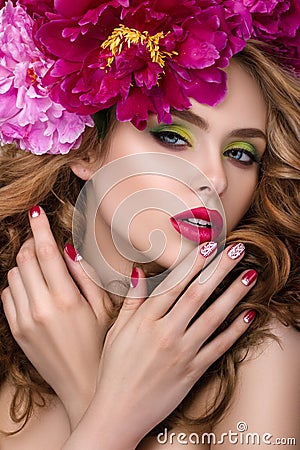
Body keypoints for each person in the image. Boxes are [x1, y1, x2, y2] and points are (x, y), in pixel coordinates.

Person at [0, 1, 299, 449]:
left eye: (240, 153)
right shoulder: (15, 340)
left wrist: (92, 394)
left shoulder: (264, 355)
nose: (215, 180)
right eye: (172, 136)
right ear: (84, 148)